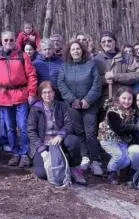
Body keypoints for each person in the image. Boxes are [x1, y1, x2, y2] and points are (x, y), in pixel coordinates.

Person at [0, 30, 37, 168]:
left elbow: (31, 75)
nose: (8, 42)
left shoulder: (23, 56)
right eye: (5, 40)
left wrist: (32, 93)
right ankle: (15, 152)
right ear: (2, 41)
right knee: (9, 128)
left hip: (21, 95)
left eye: (11, 40)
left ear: (15, 40)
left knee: (23, 126)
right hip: (4, 97)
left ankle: (24, 153)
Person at [57, 39, 104, 176]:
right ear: (69, 52)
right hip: (73, 105)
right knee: (79, 132)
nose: (75, 51)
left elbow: (96, 83)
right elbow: (61, 84)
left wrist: (87, 100)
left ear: (82, 51)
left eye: (78, 49)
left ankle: (96, 160)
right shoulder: (64, 66)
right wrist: (73, 100)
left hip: (89, 104)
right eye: (73, 49)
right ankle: (85, 157)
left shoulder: (91, 65)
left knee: (90, 132)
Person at [28, 81, 86, 185]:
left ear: (54, 93)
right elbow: (31, 131)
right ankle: (59, 162)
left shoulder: (61, 106)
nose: (47, 95)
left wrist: (60, 135)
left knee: (74, 141)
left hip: (59, 142)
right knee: (42, 174)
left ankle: (74, 167)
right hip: (44, 144)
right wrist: (42, 150)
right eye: (44, 92)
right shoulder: (35, 109)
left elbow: (69, 124)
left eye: (50, 92)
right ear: (40, 94)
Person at [98, 87, 139, 184]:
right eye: (124, 98)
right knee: (118, 155)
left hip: (122, 140)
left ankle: (118, 170)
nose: (127, 101)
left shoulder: (131, 111)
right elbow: (119, 129)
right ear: (118, 98)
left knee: (127, 160)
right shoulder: (112, 111)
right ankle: (110, 172)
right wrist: (135, 127)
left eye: (129, 99)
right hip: (108, 139)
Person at [94, 32, 139, 106]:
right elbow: (91, 80)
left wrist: (116, 76)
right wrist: (104, 80)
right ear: (100, 44)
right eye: (103, 41)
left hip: (125, 101)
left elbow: (136, 75)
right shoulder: (96, 60)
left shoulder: (127, 58)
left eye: (109, 41)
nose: (106, 43)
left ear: (115, 42)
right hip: (104, 102)